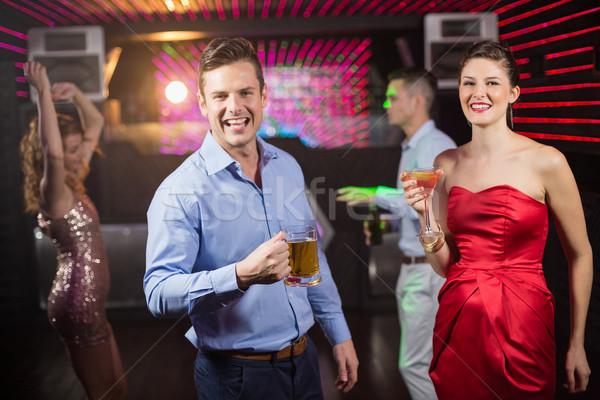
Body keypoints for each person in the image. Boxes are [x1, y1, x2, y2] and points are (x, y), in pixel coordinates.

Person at [144, 37, 358, 400]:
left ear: (263, 97)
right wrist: (240, 276)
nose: (235, 107)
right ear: (202, 103)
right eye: (220, 96)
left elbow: (310, 258)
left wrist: (338, 333)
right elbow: (158, 293)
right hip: (235, 377)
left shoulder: (287, 166)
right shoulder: (179, 190)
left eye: (245, 92)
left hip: (304, 362)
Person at [402, 40, 593, 399]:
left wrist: (577, 342)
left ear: (514, 93)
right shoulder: (446, 163)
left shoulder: (547, 161)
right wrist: (424, 215)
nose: (478, 92)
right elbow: (446, 267)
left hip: (524, 324)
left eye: (491, 82)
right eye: (468, 82)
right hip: (459, 321)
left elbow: (581, 255)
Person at [337, 68, 456, 399]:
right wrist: (387, 223)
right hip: (414, 265)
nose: (386, 104)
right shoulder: (414, 145)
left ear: (417, 101)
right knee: (426, 361)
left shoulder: (434, 144)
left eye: (392, 96)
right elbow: (419, 210)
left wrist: (373, 193)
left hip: (428, 268)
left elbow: (422, 202)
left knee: (414, 365)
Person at [20, 61, 127, 400]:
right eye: (73, 149)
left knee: (119, 391)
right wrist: (43, 93)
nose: (82, 153)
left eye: (81, 145)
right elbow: (52, 151)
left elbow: (95, 122)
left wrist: (78, 95)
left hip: (92, 304)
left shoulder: (74, 178)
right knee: (103, 394)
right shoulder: (53, 190)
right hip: (75, 303)